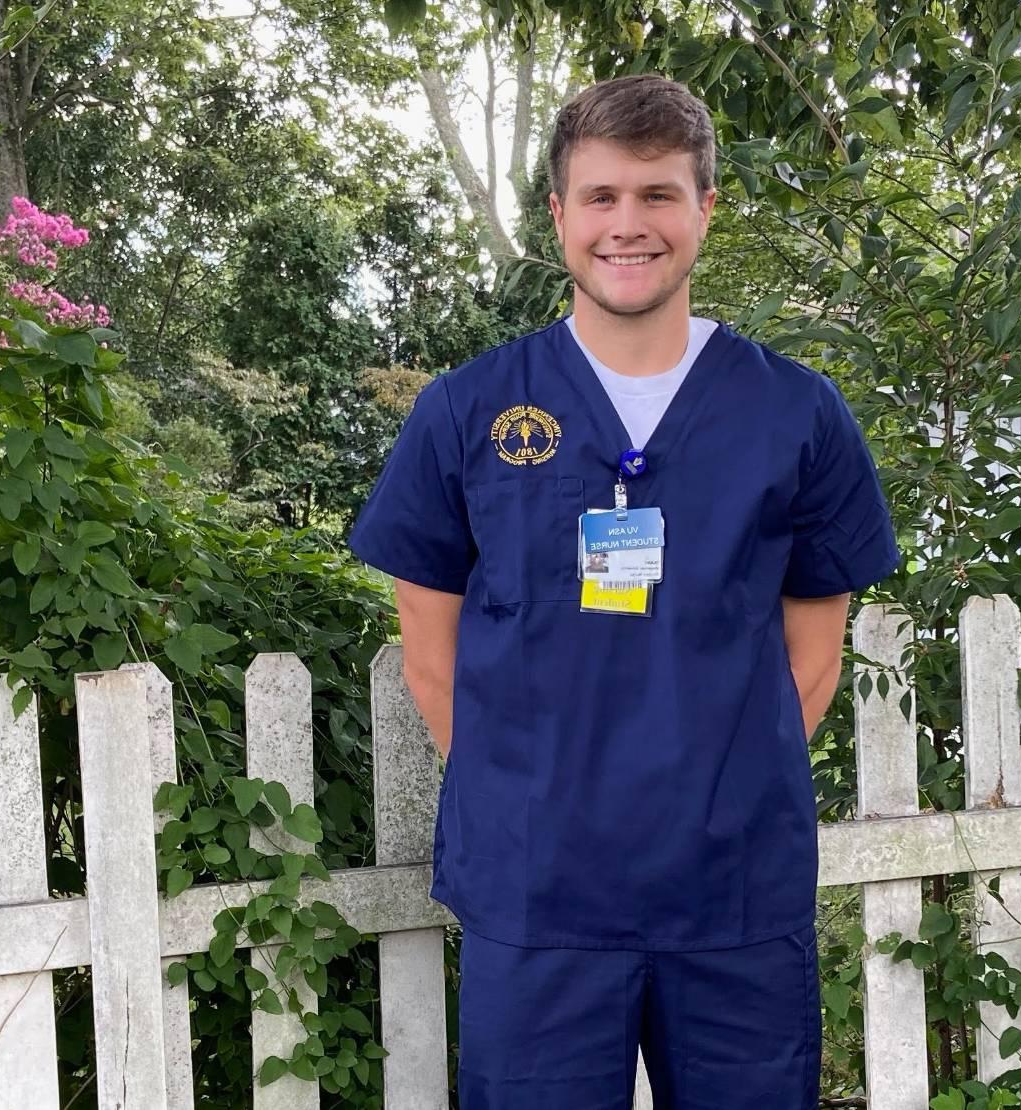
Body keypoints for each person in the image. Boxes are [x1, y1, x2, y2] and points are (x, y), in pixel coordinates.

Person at [348, 74, 899, 1110]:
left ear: (705, 209)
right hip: (538, 895)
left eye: (658, 194)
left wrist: (713, 804)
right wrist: (543, 807)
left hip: (732, 894)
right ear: (559, 215)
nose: (627, 224)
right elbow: (432, 661)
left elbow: (812, 663)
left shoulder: (796, 415)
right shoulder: (466, 413)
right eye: (601, 196)